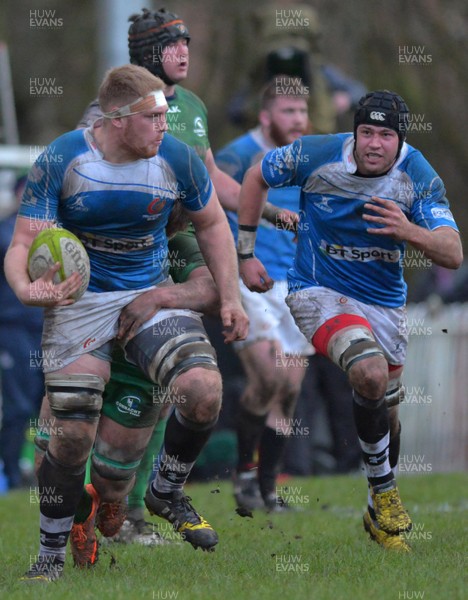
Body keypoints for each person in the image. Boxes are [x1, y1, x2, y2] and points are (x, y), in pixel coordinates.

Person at [5, 64, 248, 581]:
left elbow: (211, 226)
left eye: (167, 115)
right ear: (117, 120)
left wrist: (231, 298)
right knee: (70, 437)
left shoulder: (177, 159)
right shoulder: (64, 157)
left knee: (203, 391)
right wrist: (29, 289)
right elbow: (24, 242)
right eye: (155, 116)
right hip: (81, 303)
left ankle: (163, 489)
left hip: (147, 297)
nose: (166, 125)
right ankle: (49, 556)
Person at [236, 89, 463, 551]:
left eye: (385, 134)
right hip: (318, 290)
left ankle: (377, 509)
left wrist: (409, 231)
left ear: (400, 141)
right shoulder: (315, 154)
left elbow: (453, 253)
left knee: (386, 413)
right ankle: (385, 495)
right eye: (366, 132)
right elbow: (255, 177)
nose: (373, 143)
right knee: (368, 372)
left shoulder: (416, 176)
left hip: (383, 303)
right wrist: (245, 252)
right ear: (354, 132)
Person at [215, 77, 314, 511]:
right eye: (288, 111)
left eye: (302, 111)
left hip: (296, 284)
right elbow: (210, 211)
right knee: (269, 377)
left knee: (290, 388)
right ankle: (244, 477)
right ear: (265, 116)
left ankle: (269, 491)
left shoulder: (308, 157)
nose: (298, 120)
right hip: (250, 278)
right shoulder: (236, 156)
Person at [0, 175, 44, 490]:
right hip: (11, 330)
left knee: (51, 407)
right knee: (19, 407)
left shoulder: (53, 235)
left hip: (47, 331)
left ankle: (47, 477)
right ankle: (14, 477)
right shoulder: (4, 232)